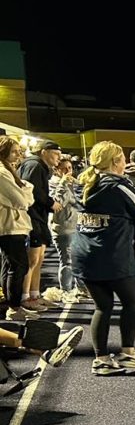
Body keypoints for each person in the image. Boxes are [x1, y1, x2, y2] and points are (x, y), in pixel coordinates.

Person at [72, 142, 135, 375]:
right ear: (115, 162)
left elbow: (117, 209)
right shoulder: (118, 185)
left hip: (84, 254)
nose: (126, 161)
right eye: (122, 157)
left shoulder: (84, 184)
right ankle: (128, 352)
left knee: (102, 307)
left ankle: (102, 359)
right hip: (112, 255)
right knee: (131, 303)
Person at [18, 139, 62, 312]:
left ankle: (35, 294)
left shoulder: (38, 166)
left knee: (39, 258)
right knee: (32, 259)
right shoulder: (34, 165)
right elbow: (31, 190)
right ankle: (25, 297)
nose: (59, 158)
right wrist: (50, 203)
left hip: (38, 218)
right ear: (43, 151)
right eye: (56, 154)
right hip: (31, 218)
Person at [0, 137, 36, 320]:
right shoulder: (1, 172)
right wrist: (28, 188)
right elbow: (22, 201)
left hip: (12, 225)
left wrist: (24, 193)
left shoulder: (8, 170)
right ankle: (13, 308)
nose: (18, 154)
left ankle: (12, 306)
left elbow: (21, 200)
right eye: (14, 151)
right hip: (10, 227)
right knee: (18, 266)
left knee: (10, 266)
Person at [48, 153, 86, 302]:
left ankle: (81, 288)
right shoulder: (53, 183)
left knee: (77, 259)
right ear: (57, 170)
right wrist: (63, 183)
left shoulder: (70, 183)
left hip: (74, 225)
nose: (68, 171)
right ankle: (66, 291)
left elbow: (77, 203)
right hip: (62, 227)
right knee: (67, 261)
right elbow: (58, 203)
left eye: (70, 168)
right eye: (64, 169)